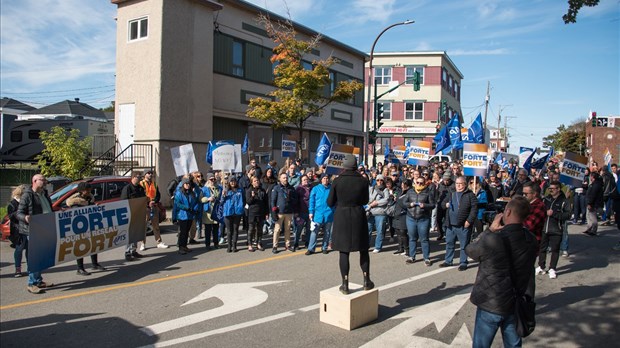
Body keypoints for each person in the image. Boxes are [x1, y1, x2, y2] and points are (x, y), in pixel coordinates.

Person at [465, 196, 538, 348]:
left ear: (508, 212)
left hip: (491, 302)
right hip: (515, 301)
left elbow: (470, 250)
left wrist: (489, 230)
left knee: (481, 345)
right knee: (513, 344)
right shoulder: (531, 239)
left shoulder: (495, 237)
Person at [327, 155, 373, 295]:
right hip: (358, 215)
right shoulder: (363, 181)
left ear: (344, 166)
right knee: (363, 249)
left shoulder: (337, 181)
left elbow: (330, 202)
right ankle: (366, 280)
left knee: (344, 251)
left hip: (342, 216)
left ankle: (345, 283)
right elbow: (365, 200)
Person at [16, 174, 55, 294]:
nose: (44, 182)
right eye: (41, 180)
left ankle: (38, 280)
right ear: (34, 181)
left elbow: (48, 209)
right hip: (33, 230)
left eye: (44, 180)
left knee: (41, 257)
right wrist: (25, 217)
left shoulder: (45, 194)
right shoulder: (28, 195)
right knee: (35, 257)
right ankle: (31, 283)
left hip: (45, 228)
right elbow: (19, 213)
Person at [439, 176, 478, 271]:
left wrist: (469, 221)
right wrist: (446, 205)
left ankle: (463, 262)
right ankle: (448, 261)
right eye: (457, 183)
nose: (458, 185)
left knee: (464, 245)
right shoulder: (451, 194)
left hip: (463, 225)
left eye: (461, 184)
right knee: (449, 243)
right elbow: (442, 204)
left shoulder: (470, 195)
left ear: (465, 184)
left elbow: (474, 209)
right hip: (451, 225)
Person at [67, 182, 106, 276]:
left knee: (94, 243)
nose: (89, 191)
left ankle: (95, 264)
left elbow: (91, 207)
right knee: (81, 246)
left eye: (89, 189)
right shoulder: (75, 201)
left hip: (91, 224)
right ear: (81, 191)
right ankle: (80, 268)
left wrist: (95, 206)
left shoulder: (90, 197)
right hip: (80, 227)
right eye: (87, 190)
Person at [536, 181, 571, 279]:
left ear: (558, 189)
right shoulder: (547, 199)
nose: (550, 190)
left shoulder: (564, 200)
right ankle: (541, 266)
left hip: (556, 229)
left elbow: (568, 215)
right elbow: (541, 210)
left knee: (555, 250)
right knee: (542, 249)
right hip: (544, 229)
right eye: (549, 189)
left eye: (552, 189)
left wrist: (554, 214)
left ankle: (552, 269)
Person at [404, 176, 435, 266]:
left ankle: (426, 258)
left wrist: (425, 205)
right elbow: (403, 203)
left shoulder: (428, 192)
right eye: (418, 182)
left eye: (421, 183)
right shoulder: (410, 192)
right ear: (415, 182)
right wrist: (410, 204)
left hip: (423, 219)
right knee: (412, 238)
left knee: (424, 239)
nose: (419, 184)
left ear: (424, 183)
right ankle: (411, 256)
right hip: (411, 218)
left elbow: (432, 205)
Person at [121, 171, 147, 261]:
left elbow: (143, 199)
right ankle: (127, 252)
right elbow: (123, 201)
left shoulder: (140, 188)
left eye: (140, 177)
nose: (140, 179)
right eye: (138, 177)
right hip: (129, 214)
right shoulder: (127, 188)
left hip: (138, 214)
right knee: (130, 234)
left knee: (136, 233)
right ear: (133, 177)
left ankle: (133, 251)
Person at [140, 169, 169, 250]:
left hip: (154, 206)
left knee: (156, 225)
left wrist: (154, 201)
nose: (150, 174)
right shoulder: (141, 184)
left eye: (151, 173)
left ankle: (159, 242)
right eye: (148, 173)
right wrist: (148, 202)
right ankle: (143, 243)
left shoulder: (154, 184)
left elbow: (158, 195)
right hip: (145, 207)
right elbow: (141, 195)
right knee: (144, 226)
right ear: (144, 175)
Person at [306, 174, 334, 255]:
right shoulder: (316, 189)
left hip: (329, 213)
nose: (326, 180)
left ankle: (324, 247)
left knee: (327, 232)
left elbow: (336, 200)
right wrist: (311, 212)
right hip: (318, 214)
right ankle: (311, 248)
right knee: (314, 232)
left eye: (327, 178)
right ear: (321, 180)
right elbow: (311, 201)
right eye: (324, 178)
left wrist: (334, 210)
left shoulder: (332, 188)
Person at [270, 172, 297, 253]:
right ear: (280, 179)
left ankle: (288, 245)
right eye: (284, 178)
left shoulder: (291, 188)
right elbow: (273, 201)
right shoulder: (276, 188)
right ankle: (275, 246)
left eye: (286, 177)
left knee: (288, 229)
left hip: (288, 212)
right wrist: (273, 212)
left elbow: (295, 199)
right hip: (279, 212)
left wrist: (291, 199)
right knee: (277, 230)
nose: (286, 179)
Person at [7, 184, 28, 277]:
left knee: (30, 250)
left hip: (29, 228)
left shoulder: (28, 202)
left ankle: (31, 267)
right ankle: (18, 269)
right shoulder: (13, 203)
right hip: (18, 230)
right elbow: (11, 216)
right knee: (19, 249)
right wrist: (20, 213)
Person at [174, 177, 199, 254]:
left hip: (190, 215)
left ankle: (184, 246)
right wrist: (186, 208)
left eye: (189, 184)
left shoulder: (192, 193)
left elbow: (195, 202)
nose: (188, 185)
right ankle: (181, 247)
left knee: (187, 231)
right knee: (183, 232)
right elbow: (177, 204)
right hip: (182, 215)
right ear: (183, 184)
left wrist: (194, 209)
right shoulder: (179, 193)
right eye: (186, 184)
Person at [222, 177, 245, 253]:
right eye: (231, 181)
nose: (232, 183)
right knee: (229, 230)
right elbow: (221, 202)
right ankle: (229, 246)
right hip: (228, 212)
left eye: (234, 181)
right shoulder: (226, 191)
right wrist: (223, 196)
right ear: (228, 182)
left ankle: (234, 245)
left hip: (237, 212)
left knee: (235, 229)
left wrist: (241, 208)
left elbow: (243, 200)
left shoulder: (240, 190)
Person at [367, 174, 389, 253]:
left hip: (380, 213)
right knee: (368, 230)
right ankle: (366, 245)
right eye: (378, 180)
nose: (379, 182)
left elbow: (386, 200)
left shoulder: (385, 190)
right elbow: (367, 198)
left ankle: (378, 246)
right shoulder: (371, 188)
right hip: (370, 212)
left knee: (380, 231)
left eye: (381, 180)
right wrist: (369, 204)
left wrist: (376, 203)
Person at [246, 176, 268, 251]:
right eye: (255, 181)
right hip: (252, 213)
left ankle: (258, 243)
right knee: (251, 229)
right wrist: (252, 197)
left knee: (260, 229)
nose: (256, 182)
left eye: (257, 180)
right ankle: (250, 244)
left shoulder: (262, 190)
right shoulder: (249, 191)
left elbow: (266, 202)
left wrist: (266, 213)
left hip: (261, 212)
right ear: (252, 182)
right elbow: (248, 202)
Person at [201, 173, 221, 250]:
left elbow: (221, 197)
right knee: (208, 230)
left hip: (216, 210)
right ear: (208, 180)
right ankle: (207, 244)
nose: (213, 181)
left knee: (216, 229)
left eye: (214, 179)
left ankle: (216, 243)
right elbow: (201, 199)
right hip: (208, 212)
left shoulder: (218, 188)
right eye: (211, 179)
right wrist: (208, 199)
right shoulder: (204, 189)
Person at [392, 179, 411, 256]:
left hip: (404, 214)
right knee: (398, 232)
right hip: (397, 213)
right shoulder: (399, 191)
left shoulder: (409, 193)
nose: (403, 185)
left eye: (405, 184)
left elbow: (405, 204)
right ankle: (400, 248)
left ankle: (407, 250)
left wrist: (398, 200)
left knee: (403, 232)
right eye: (402, 184)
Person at [294, 175, 312, 250]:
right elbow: (295, 201)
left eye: (307, 179)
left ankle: (307, 243)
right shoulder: (298, 189)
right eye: (304, 180)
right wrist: (296, 212)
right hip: (301, 212)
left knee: (309, 229)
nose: (306, 181)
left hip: (310, 212)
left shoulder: (312, 188)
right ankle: (296, 243)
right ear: (301, 181)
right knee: (299, 229)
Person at [435, 172, 455, 241]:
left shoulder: (454, 185)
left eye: (447, 180)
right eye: (444, 180)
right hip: (440, 205)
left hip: (449, 206)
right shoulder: (440, 185)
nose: (446, 181)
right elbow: (437, 194)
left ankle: (447, 234)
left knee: (447, 221)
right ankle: (440, 234)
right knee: (438, 220)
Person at [584, 172, 604, 236]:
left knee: (593, 217)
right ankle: (589, 228)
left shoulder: (596, 185)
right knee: (588, 216)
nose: (590, 177)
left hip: (593, 203)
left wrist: (590, 203)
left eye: (591, 176)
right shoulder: (594, 184)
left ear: (593, 177)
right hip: (591, 202)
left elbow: (593, 195)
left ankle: (593, 230)